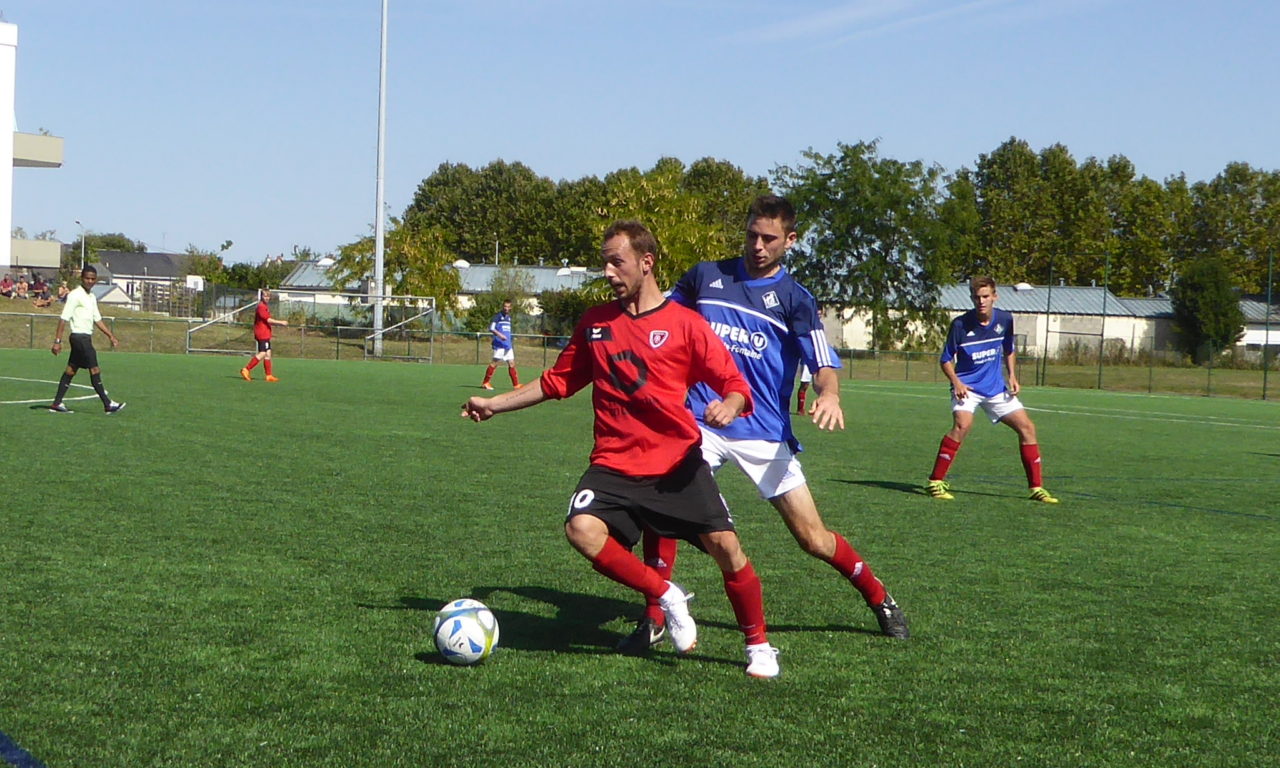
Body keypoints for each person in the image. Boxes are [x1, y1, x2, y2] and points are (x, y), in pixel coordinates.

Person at [462, 220, 782, 678]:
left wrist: (730, 405)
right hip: (614, 463)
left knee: (728, 550)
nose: (609, 272)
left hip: (676, 465)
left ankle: (759, 646)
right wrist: (494, 404)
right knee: (581, 529)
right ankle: (667, 594)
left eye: (618, 262)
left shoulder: (686, 324)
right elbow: (558, 382)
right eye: (605, 263)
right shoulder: (595, 323)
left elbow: (734, 383)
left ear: (646, 263)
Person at [619, 194, 908, 656]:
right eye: (752, 234)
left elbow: (822, 362)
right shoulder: (706, 276)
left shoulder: (796, 300)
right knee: (664, 502)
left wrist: (829, 393)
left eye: (769, 238)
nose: (757, 245)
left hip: (764, 431)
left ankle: (879, 597)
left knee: (812, 538)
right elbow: (661, 317)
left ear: (790, 241)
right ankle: (655, 614)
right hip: (703, 420)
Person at [924, 276, 1058, 503]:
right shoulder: (960, 324)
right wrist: (956, 382)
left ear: (995, 296)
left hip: (996, 389)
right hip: (967, 387)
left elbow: (1009, 349)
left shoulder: (1005, 319)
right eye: (977, 297)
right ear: (971, 298)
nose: (981, 301)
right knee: (962, 425)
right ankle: (935, 481)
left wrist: (1013, 375)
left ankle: (1036, 488)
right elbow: (945, 359)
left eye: (986, 296)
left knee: (1027, 428)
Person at [47, 265, 126, 414]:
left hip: (85, 338)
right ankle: (108, 404)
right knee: (94, 369)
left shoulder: (91, 297)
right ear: (82, 278)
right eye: (87, 278)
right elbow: (63, 318)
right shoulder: (75, 295)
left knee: (71, 370)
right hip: (79, 338)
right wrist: (57, 341)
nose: (90, 281)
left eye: (93, 279)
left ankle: (57, 403)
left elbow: (98, 319)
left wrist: (110, 335)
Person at [240, 288, 288, 382]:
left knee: (268, 354)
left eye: (268, 296)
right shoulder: (261, 307)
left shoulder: (265, 306)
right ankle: (246, 369)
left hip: (265, 333)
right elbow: (268, 320)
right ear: (261, 296)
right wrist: (281, 322)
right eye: (265, 295)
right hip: (261, 334)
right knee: (263, 353)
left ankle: (268, 375)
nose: (267, 298)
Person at [480, 299, 520, 390]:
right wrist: (500, 335)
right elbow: (491, 328)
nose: (506, 308)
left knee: (512, 363)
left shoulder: (509, 318)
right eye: (505, 306)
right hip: (499, 345)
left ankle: (516, 385)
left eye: (508, 307)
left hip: (507, 345)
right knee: (494, 363)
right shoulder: (497, 317)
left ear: (510, 308)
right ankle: (485, 383)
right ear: (503, 307)